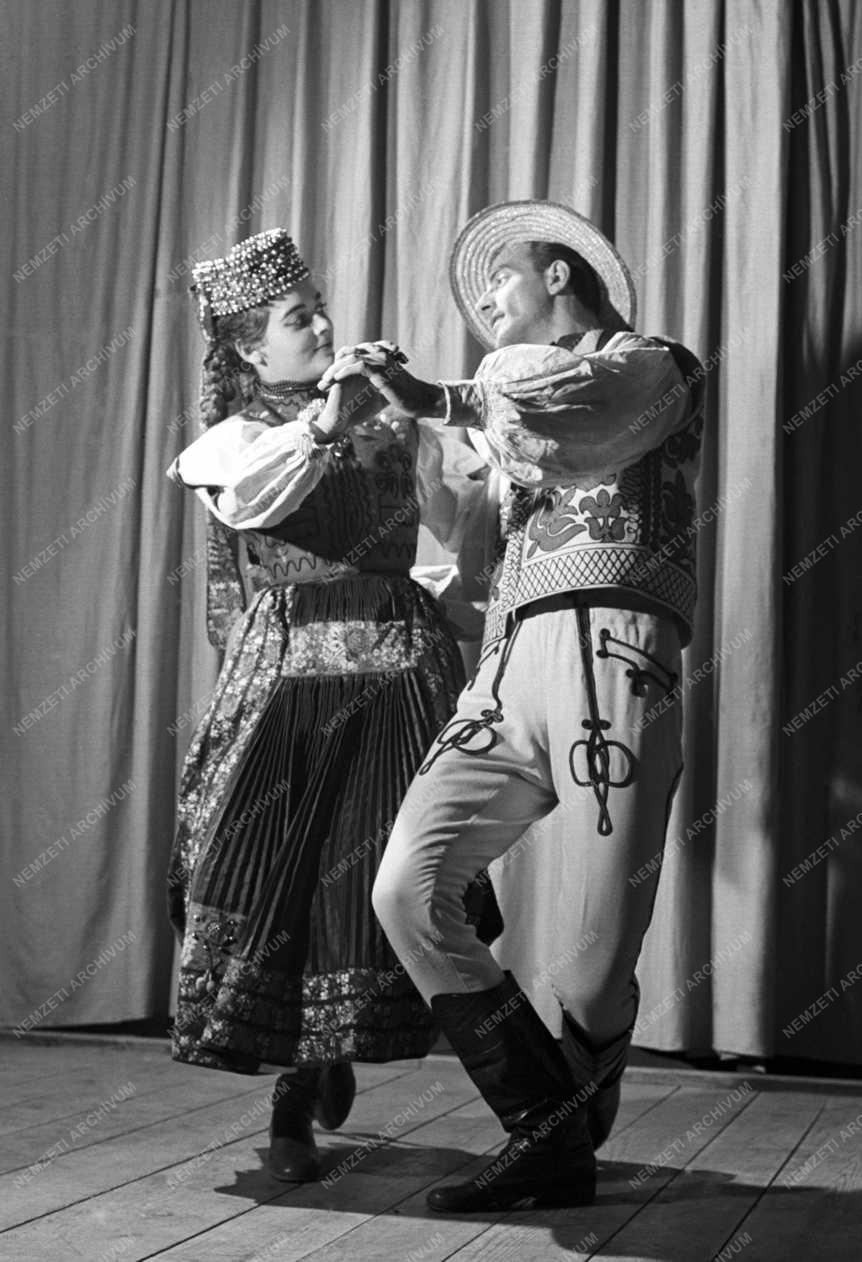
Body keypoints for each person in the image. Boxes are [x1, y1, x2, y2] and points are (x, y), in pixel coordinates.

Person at [325, 201, 704, 1212]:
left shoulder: (653, 366)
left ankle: (563, 1123)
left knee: (590, 973)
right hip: (505, 664)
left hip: (613, 650)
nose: (488, 299)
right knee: (407, 890)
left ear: (559, 275)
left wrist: (439, 395)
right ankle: (547, 1127)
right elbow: (461, 560)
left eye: (502, 276)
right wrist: (398, 425)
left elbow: (573, 410)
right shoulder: (503, 414)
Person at [165, 228, 499, 1183]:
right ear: (248, 352)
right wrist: (327, 419)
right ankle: (296, 1091)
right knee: (281, 874)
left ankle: (334, 1075)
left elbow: (464, 526)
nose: (319, 327)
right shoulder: (234, 441)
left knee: (385, 879)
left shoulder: (394, 424)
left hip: (397, 672)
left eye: (318, 311)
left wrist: (456, 428)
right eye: (294, 319)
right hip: (288, 685)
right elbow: (257, 498)